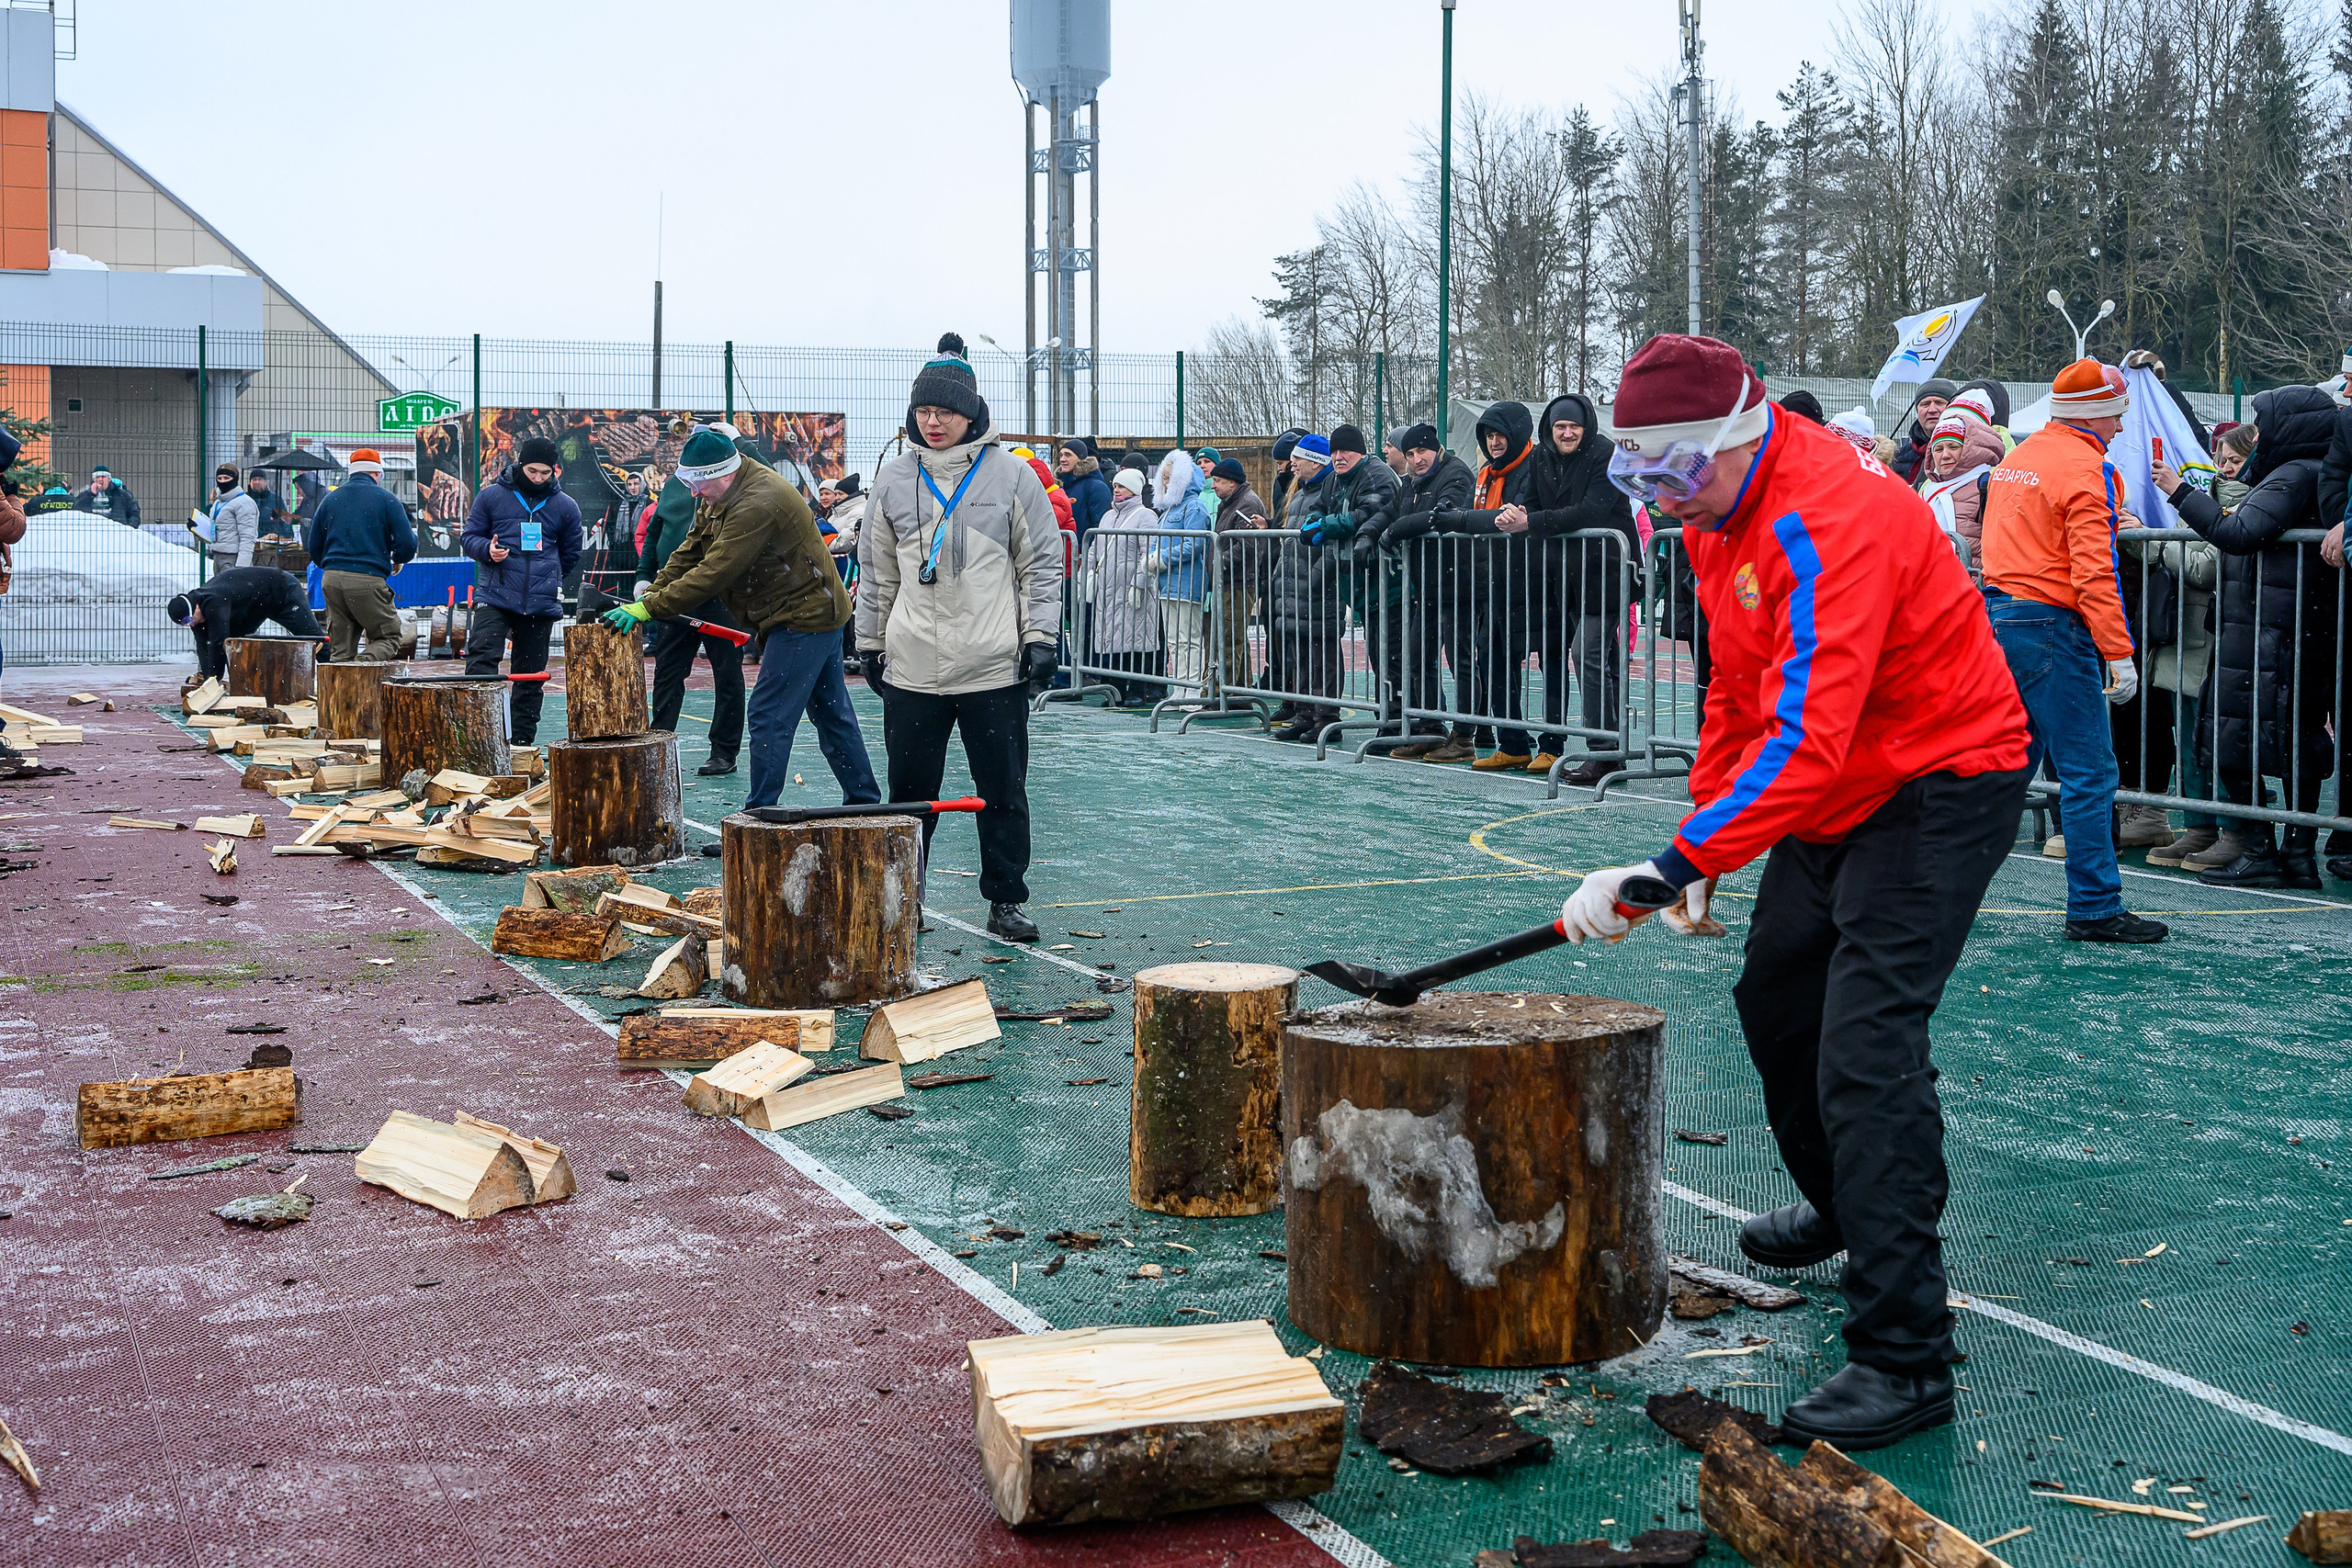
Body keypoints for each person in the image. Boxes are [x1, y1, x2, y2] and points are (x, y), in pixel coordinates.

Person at [1559, 333, 2033, 1449]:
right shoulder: (1713, 515)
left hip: (1937, 781)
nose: (1664, 497)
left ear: (1741, 429)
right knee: (1776, 1000)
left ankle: (1906, 1356)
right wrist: (1705, 838)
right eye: (1641, 475)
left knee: (1866, 1049)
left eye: (1678, 469)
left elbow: (1807, 735)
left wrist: (1669, 865)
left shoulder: (1828, 519)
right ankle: (1845, 1200)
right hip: (1837, 789)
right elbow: (1737, 690)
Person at [855, 333, 1064, 943]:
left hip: (991, 666)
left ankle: (1006, 898)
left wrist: (1040, 635)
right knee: (909, 796)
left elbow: (1041, 562)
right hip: (913, 667)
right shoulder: (894, 478)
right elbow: (877, 572)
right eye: (924, 410)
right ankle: (904, 898)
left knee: (1002, 792)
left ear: (971, 413)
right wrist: (870, 643)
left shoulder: (1013, 476)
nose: (933, 422)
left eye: (945, 411)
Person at [1978, 359, 2167, 942]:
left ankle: (1939, 889)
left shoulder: (2018, 460)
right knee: (2089, 771)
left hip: (2002, 617)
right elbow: (2093, 573)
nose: (2119, 426)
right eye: (2115, 414)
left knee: (2006, 769)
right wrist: (2119, 652)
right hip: (2053, 627)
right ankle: (2094, 905)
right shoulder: (2088, 470)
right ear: (2094, 414)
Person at [610, 424, 875, 817]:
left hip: (805, 616)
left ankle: (758, 814)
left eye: (698, 484)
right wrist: (650, 594)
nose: (694, 493)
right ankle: (864, 802)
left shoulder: (758, 502)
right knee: (831, 713)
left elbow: (714, 571)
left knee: (769, 715)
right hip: (797, 611)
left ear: (722, 474)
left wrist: (650, 609)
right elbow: (690, 551)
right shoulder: (719, 492)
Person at [2157, 386, 2339, 888]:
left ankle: (2267, 851)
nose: (2256, 436)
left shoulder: (2296, 474)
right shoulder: (2299, 472)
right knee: (2285, 740)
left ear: (2290, 428)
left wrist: (2179, 491)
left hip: (2271, 632)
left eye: (2263, 425)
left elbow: (2238, 534)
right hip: (2276, 628)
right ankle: (2295, 855)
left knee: (2237, 737)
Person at [1516, 392, 1640, 783]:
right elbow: (1530, 500)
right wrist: (1517, 514)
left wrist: (1532, 522)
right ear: (1550, 429)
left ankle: (1602, 750)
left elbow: (1592, 511)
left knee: (1585, 652)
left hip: (1607, 572)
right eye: (1560, 426)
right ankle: (1613, 749)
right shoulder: (1540, 456)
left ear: (1585, 428)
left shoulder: (1606, 454)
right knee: (1604, 659)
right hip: (1567, 576)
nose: (1567, 433)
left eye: (1573, 426)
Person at [1432, 401, 1539, 768]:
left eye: (1500, 435)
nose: (1494, 443)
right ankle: (1511, 739)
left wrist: (1463, 519)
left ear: (1516, 434)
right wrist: (1464, 518)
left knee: (1542, 658)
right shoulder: (1485, 475)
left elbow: (1506, 519)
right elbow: (1477, 516)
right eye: (1489, 436)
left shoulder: (1532, 467)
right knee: (1493, 655)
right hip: (1493, 579)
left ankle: (1544, 742)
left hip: (1528, 578)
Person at [460, 436, 582, 749]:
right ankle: (478, 733)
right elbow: (469, 537)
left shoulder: (566, 506)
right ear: (520, 465)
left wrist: (550, 576)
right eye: (532, 471)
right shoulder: (491, 496)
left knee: (530, 676)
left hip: (540, 603)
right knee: (482, 660)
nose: (538, 478)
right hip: (495, 596)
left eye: (545, 472)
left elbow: (571, 553)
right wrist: (487, 550)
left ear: (554, 470)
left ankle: (522, 741)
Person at [636, 451, 746, 774]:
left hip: (721, 594)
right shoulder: (673, 485)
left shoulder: (735, 485)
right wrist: (645, 575)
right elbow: (655, 531)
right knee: (668, 671)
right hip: (675, 592)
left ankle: (724, 752)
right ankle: (659, 743)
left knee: (728, 673)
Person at [1379, 423, 1475, 759]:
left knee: (1461, 662)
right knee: (1418, 656)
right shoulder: (1411, 482)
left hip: (1461, 585)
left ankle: (1465, 736)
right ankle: (1431, 727)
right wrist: (1369, 533)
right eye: (1410, 454)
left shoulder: (1456, 473)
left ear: (1437, 449)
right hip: (1429, 586)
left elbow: (1441, 515)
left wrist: (1395, 530)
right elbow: (1389, 512)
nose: (1417, 459)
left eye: (1422, 451)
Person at [1265, 433, 1352, 742]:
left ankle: (1326, 718)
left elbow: (1333, 544)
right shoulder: (1299, 494)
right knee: (1298, 655)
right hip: (1294, 588)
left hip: (1318, 589)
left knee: (1322, 656)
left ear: (1315, 462)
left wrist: (1316, 577)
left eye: (1297, 459)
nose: (1292, 465)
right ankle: (1304, 714)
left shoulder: (1331, 493)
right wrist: (1281, 576)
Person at [306, 447, 413, 661]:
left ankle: (343, 678)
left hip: (332, 580)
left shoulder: (330, 499)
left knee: (341, 651)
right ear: (377, 473)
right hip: (367, 579)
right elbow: (408, 544)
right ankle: (362, 666)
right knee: (389, 638)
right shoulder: (387, 499)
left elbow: (314, 545)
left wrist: (333, 566)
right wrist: (397, 558)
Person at [168, 566, 323, 679]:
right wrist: (209, 681)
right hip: (256, 604)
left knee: (314, 637)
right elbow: (203, 644)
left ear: (195, 608)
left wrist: (213, 680)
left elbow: (219, 642)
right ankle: (244, 683)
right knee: (237, 644)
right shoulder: (195, 615)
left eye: (189, 619)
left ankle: (330, 669)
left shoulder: (214, 602)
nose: (191, 624)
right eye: (185, 623)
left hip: (281, 590)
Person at [1088, 468, 1161, 705]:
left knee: (1136, 638)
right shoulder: (1108, 516)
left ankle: (1137, 689)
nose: (1116, 490)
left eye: (1122, 486)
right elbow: (1095, 547)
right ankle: (1116, 688)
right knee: (1113, 639)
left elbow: (1148, 552)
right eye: (1115, 486)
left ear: (1134, 490)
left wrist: (1139, 585)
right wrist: (1085, 573)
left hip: (1132, 588)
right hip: (1108, 589)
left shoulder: (1146, 516)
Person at [1149, 450, 1213, 698]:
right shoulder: (1168, 511)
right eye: (1164, 478)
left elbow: (1194, 544)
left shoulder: (1194, 507)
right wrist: (1152, 559)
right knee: (1174, 639)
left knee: (1190, 638)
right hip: (1167, 584)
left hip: (1188, 583)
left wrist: (1162, 559)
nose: (1165, 483)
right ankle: (1179, 686)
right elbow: (1158, 541)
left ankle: (1193, 689)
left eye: (1170, 478)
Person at [1206, 456, 1267, 694]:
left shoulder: (1246, 504)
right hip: (1232, 581)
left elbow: (1248, 545)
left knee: (1230, 639)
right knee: (1234, 637)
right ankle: (1240, 692)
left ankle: (1224, 693)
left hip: (1238, 582)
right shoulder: (1234, 502)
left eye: (1218, 481)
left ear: (1232, 482)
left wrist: (1220, 562)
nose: (1213, 486)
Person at [1914, 407, 2004, 565]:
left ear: (1969, 449)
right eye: (1938, 449)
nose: (1945, 455)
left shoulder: (1988, 485)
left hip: (1972, 579)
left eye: (1953, 447)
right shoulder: (1926, 491)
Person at [1887, 378, 1958, 484]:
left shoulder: (1968, 454)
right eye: (1925, 404)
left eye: (1939, 403)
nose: (1932, 410)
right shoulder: (1897, 459)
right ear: (1917, 411)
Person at [204, 463, 259, 573]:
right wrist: (196, 529)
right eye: (219, 478)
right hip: (217, 556)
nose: (223, 481)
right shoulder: (218, 503)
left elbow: (248, 537)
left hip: (233, 558)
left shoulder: (244, 503)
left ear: (235, 479)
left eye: (226, 478)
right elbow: (215, 531)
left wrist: (242, 566)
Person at [1057, 438, 1112, 543]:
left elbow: (1101, 526)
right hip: (1067, 550)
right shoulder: (1065, 486)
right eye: (1061, 455)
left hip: (1085, 551)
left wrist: (1086, 549)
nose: (1062, 459)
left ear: (1081, 459)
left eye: (1068, 455)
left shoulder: (1096, 487)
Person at [73, 464, 139, 525]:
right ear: (94, 479)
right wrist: (90, 494)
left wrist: (129, 528)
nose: (100, 480)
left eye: (103, 477)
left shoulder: (122, 495)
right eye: (97, 477)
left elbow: (134, 513)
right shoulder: (84, 495)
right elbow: (76, 511)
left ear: (109, 479)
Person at [246, 470, 295, 538]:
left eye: (260, 479)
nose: (257, 482)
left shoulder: (275, 499)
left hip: (271, 538)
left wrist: (287, 537)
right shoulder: (245, 499)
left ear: (265, 482)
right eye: (254, 479)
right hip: (248, 537)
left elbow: (284, 520)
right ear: (250, 482)